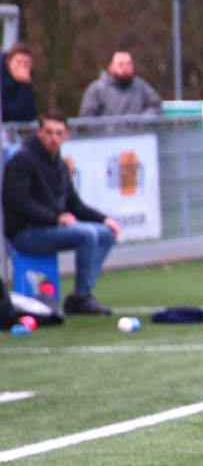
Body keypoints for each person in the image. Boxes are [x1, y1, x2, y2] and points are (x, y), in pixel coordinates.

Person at [3, 110, 121, 315]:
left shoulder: (59, 163)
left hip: (49, 229)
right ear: (39, 132)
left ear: (66, 135)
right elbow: (19, 202)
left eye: (59, 133)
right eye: (49, 132)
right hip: (25, 233)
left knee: (106, 233)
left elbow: (74, 205)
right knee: (86, 234)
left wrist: (104, 219)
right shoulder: (22, 160)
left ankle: (79, 295)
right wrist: (56, 218)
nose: (53, 138)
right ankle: (81, 299)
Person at [79, 51, 162, 117]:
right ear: (111, 67)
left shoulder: (141, 86)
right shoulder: (97, 89)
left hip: (135, 133)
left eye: (129, 64)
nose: (125, 68)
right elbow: (87, 116)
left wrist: (142, 121)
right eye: (121, 64)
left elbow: (155, 105)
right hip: (108, 134)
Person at [1, 42, 37, 123]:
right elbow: (11, 114)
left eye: (26, 63)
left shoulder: (26, 81)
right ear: (8, 62)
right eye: (18, 62)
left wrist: (25, 85)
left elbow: (30, 113)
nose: (22, 67)